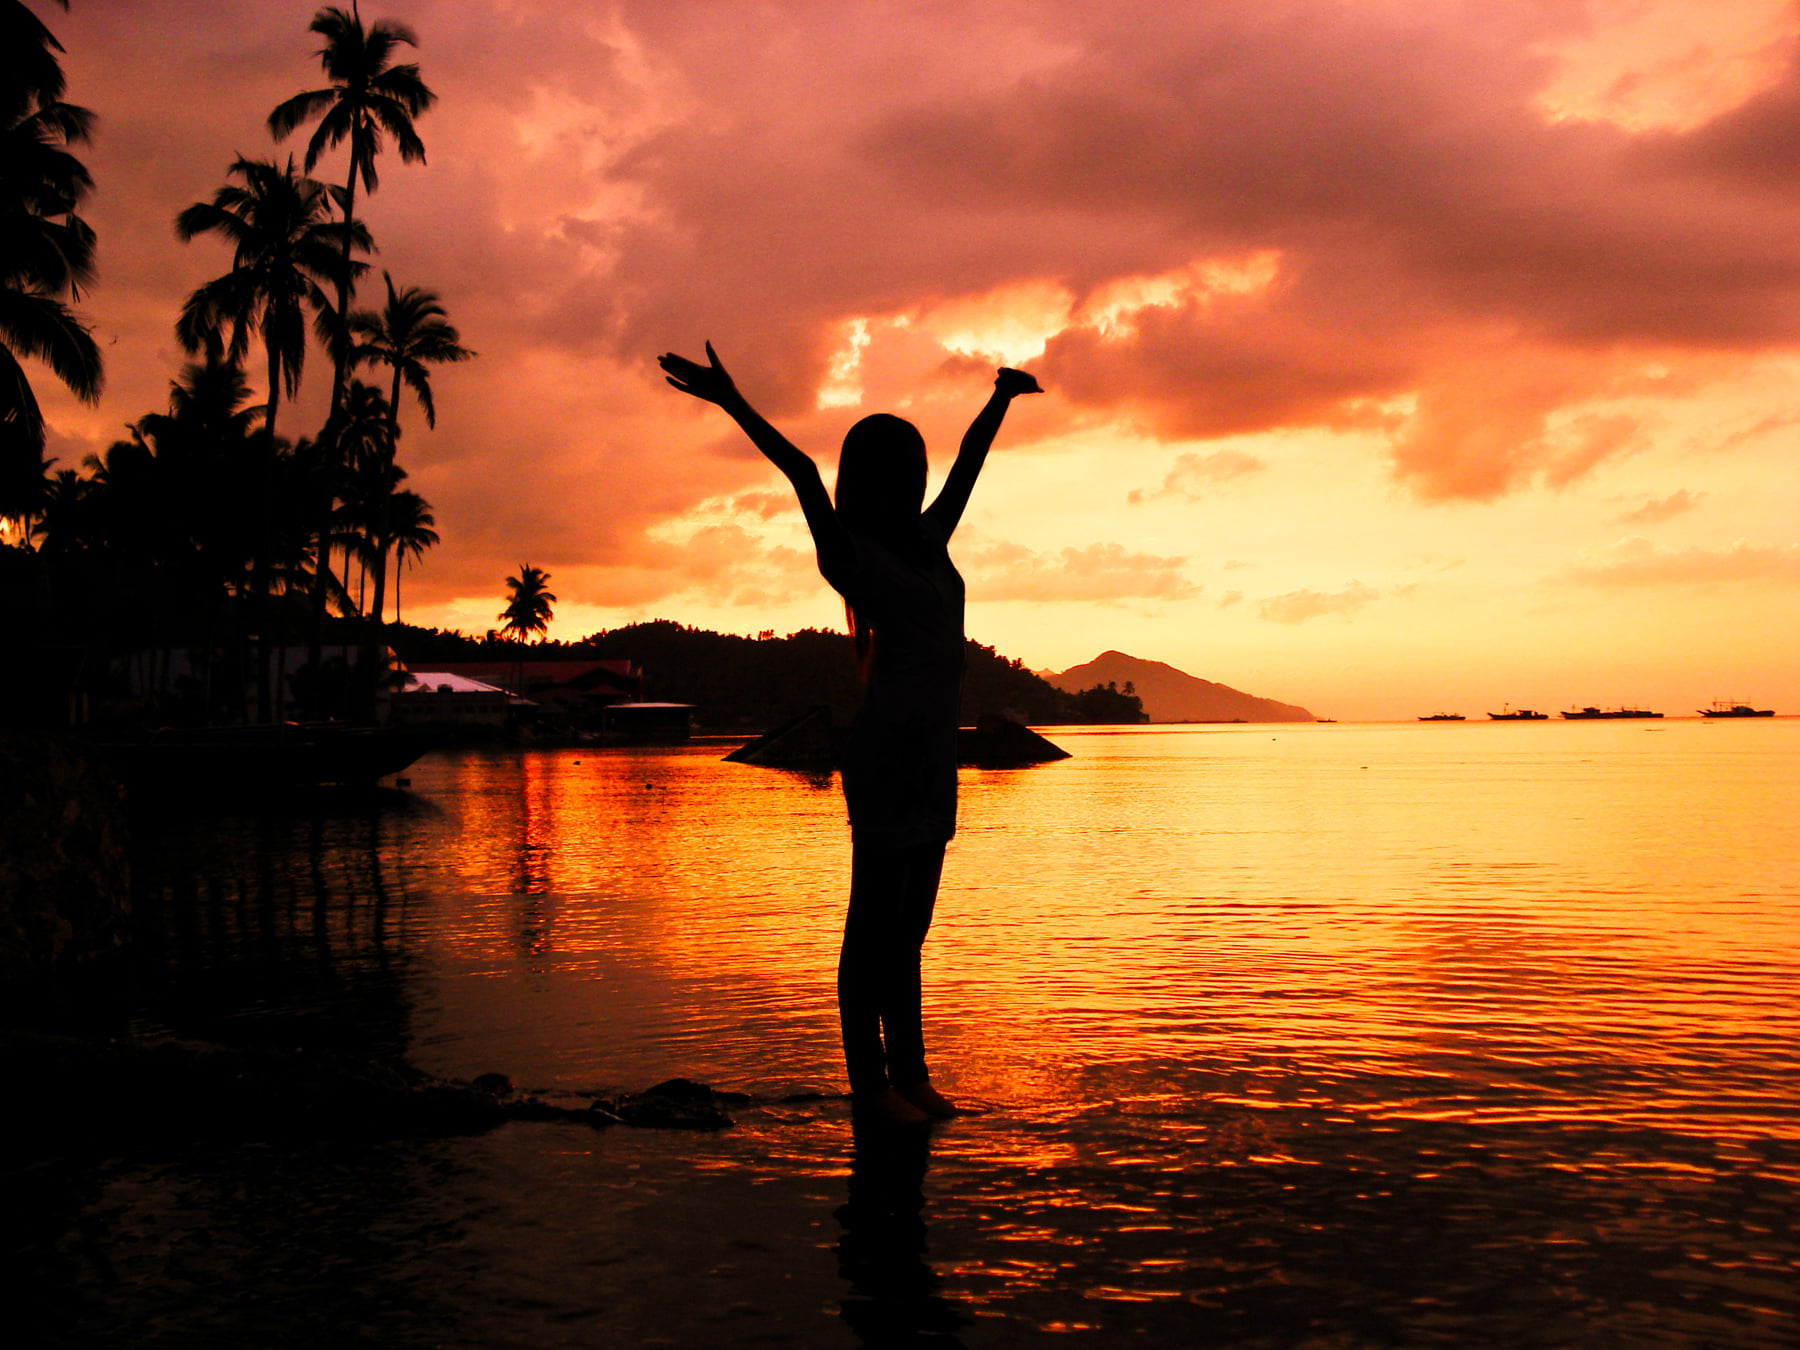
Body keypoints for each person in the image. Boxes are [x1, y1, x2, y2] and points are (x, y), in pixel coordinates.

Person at [658, 342, 1042, 1124]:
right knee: (873, 924)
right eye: (899, 473)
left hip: (935, 755)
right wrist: (732, 400)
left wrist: (1001, 399)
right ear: (870, 484)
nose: (917, 483)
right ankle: (870, 1086)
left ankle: (913, 1077)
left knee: (912, 932)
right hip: (886, 756)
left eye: (917, 470)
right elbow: (800, 471)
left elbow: (970, 463)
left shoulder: (932, 543)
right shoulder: (852, 556)